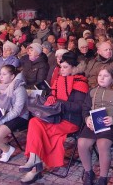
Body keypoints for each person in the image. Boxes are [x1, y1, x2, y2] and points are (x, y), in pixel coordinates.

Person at [19, 51, 89, 184]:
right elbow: (53, 94)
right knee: (34, 122)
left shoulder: (80, 83)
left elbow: (79, 108)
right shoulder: (59, 80)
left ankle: (35, 168)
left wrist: (58, 103)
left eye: (65, 67)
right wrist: (51, 97)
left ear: (74, 68)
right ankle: (34, 159)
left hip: (70, 120)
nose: (61, 70)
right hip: (55, 116)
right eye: (61, 67)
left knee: (40, 132)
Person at [78, 67, 113, 185]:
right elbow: (85, 108)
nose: (102, 78)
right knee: (82, 143)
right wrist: (87, 118)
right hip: (95, 123)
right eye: (100, 75)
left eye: (106, 76)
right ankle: (89, 172)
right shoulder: (93, 91)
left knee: (102, 144)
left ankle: (103, 178)